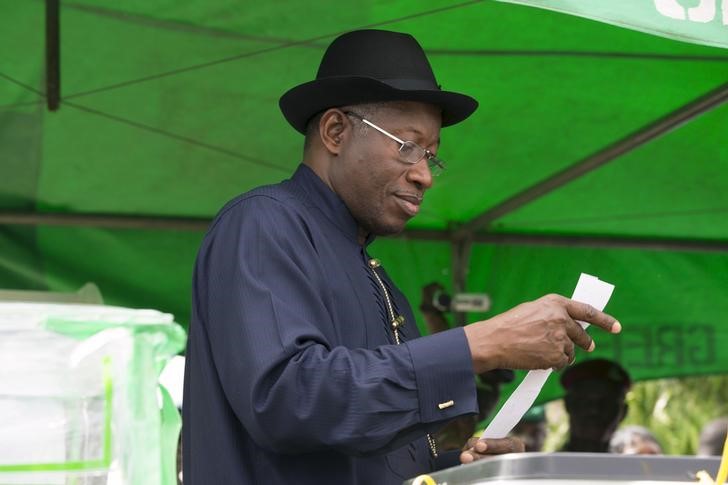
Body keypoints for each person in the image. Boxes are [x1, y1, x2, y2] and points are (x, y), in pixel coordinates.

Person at [183, 29, 622, 485]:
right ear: (336, 131)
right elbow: (288, 401)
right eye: (407, 146)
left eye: (431, 156)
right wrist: (479, 344)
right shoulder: (262, 223)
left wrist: (464, 471)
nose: (423, 175)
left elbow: (369, 459)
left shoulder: (372, 273)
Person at [419, 282, 514, 451]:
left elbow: (448, 353)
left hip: (445, 445)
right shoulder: (480, 384)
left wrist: (430, 311)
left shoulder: (484, 394)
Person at [560, 358, 630, 452]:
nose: (594, 410)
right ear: (568, 404)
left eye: (606, 403)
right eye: (585, 401)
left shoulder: (632, 466)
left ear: (623, 412)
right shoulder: (545, 465)